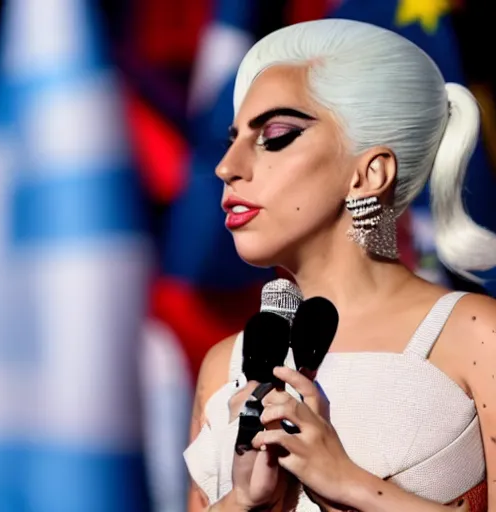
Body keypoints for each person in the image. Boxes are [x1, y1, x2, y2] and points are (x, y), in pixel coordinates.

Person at [184, 19, 496, 512]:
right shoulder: (225, 364)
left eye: (275, 135)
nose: (227, 166)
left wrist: (346, 481)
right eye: (233, 138)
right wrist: (244, 500)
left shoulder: (476, 333)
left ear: (369, 173)